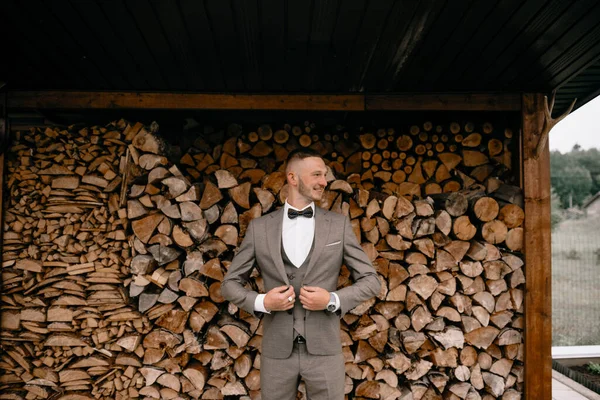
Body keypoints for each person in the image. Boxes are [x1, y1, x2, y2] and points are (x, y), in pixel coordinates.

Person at [221, 148, 381, 400]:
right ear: (293, 178)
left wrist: (332, 299)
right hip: (277, 353)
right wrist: (263, 302)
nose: (324, 181)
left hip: (325, 352)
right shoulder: (260, 228)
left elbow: (371, 281)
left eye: (324, 175)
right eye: (317, 174)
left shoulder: (337, 226)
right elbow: (229, 284)